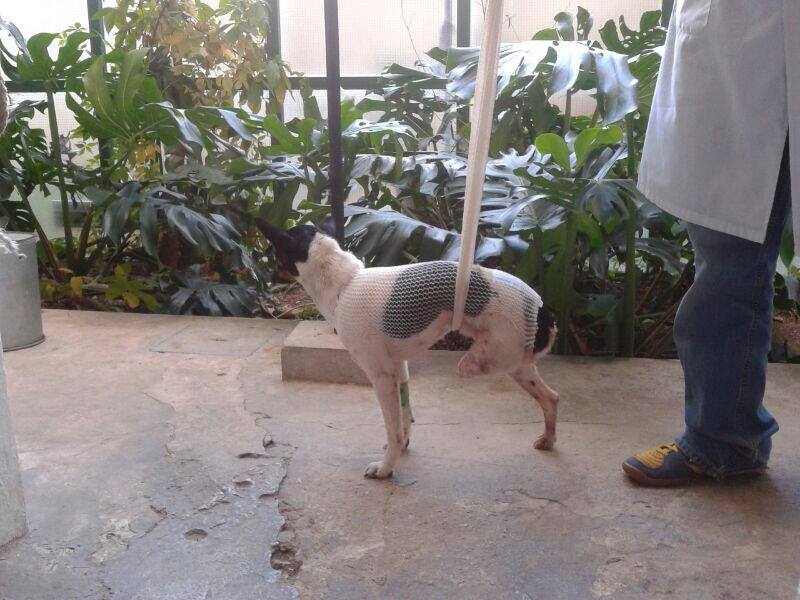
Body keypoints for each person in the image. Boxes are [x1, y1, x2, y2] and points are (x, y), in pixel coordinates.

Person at [621, 1, 798, 486]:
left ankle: (723, 438)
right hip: (740, 58)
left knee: (728, 266)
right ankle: (723, 438)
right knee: (727, 263)